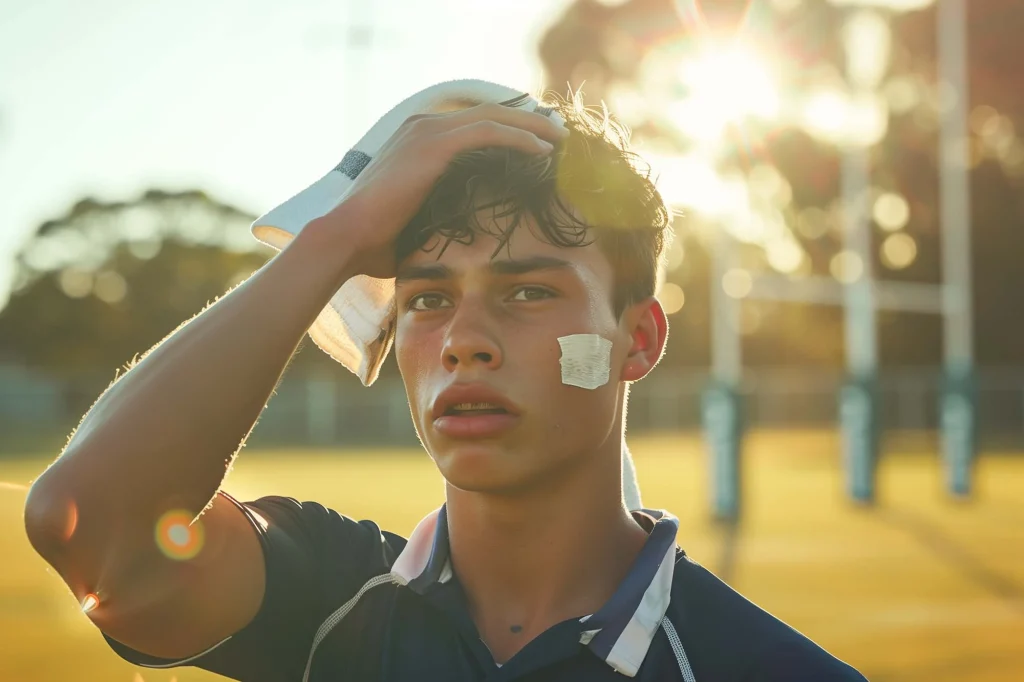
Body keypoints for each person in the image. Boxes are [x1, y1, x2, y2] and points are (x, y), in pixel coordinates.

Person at [23, 91, 866, 681]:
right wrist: (337, 239)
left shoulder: (762, 668)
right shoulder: (328, 595)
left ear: (636, 340)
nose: (463, 340)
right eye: (428, 300)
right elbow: (85, 525)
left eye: (528, 291)